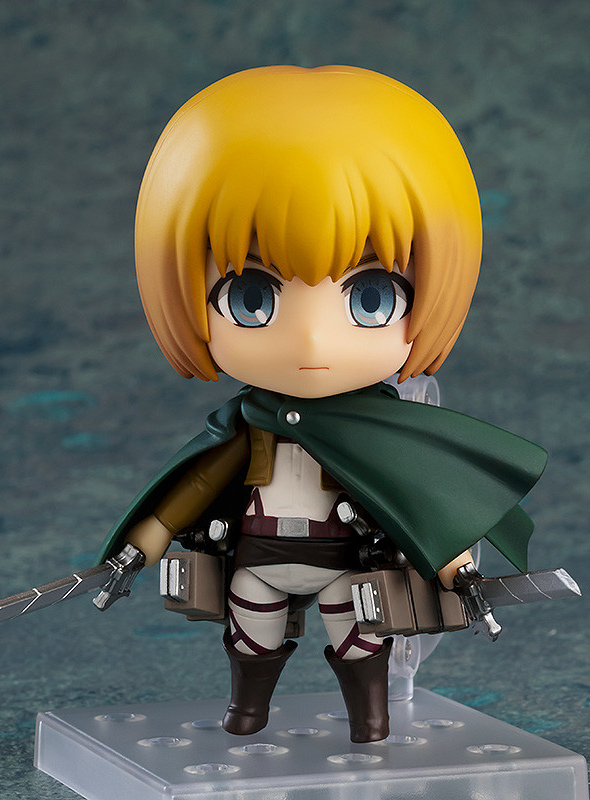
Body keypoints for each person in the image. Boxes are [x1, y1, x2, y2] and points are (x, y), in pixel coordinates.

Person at [95, 66, 548, 743]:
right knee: (250, 633)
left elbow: (424, 500)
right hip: (258, 555)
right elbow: (194, 487)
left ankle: (371, 720)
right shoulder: (247, 426)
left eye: (371, 296)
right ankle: (247, 711)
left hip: (346, 561)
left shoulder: (387, 433)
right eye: (252, 296)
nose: (311, 340)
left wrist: (460, 571)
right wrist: (138, 549)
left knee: (361, 636)